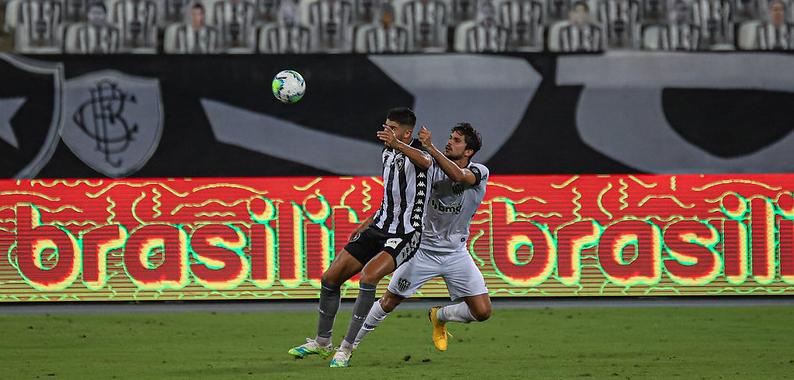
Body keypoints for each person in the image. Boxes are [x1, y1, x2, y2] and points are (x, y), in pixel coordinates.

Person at [288, 107, 432, 368]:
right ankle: (322, 342)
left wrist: (399, 144)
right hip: (379, 225)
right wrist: (368, 221)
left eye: (393, 127)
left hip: (406, 232)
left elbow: (426, 162)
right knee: (330, 278)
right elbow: (391, 195)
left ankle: (347, 348)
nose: (386, 130)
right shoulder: (387, 152)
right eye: (385, 125)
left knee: (368, 277)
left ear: (407, 132)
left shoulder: (419, 153)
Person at [352, 123, 492, 354]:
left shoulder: (479, 172)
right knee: (389, 302)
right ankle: (349, 346)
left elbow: (458, 175)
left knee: (482, 312)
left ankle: (440, 315)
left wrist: (431, 147)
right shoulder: (428, 168)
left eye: (457, 140)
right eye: (450, 137)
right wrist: (368, 222)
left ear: (469, 152)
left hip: (456, 253)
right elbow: (398, 201)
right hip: (421, 250)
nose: (450, 141)